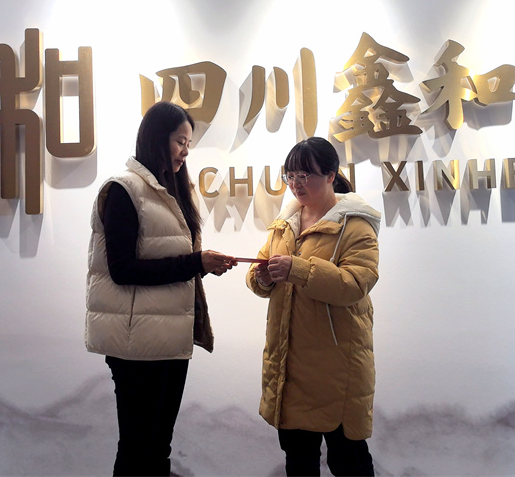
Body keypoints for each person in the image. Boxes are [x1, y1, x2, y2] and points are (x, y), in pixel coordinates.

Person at [85, 101, 236, 476]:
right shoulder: (123, 190)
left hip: (171, 339)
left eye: (188, 143)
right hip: (136, 346)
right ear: (156, 139)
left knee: (158, 449)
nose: (186, 151)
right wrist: (196, 264)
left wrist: (203, 266)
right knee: (137, 450)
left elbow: (174, 265)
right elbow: (122, 270)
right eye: (180, 141)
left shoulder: (175, 191)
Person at [246, 136, 381, 477]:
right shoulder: (286, 223)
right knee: (299, 462)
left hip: (337, 369)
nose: (295, 184)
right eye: (290, 175)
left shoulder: (356, 226)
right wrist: (262, 277)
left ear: (331, 175)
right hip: (289, 365)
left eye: (305, 175)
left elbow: (356, 284)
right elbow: (259, 272)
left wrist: (299, 269)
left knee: (349, 462)